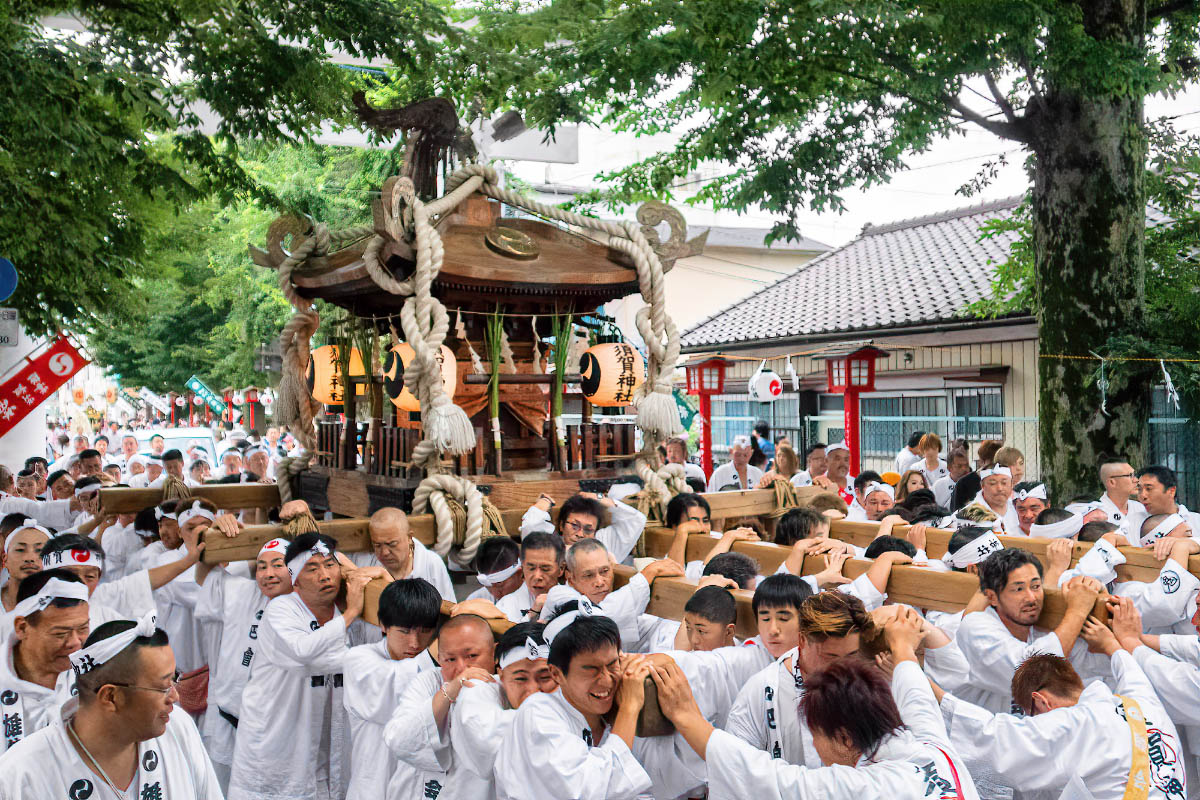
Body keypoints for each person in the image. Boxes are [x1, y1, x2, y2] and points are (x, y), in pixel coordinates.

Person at [651, 617, 978, 800]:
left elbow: (773, 779)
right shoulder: (933, 749)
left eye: (815, 733)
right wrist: (903, 646)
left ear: (845, 739)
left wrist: (686, 716)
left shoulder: (868, 788)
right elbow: (917, 696)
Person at [0, 614, 223, 800]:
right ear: (111, 697)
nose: (175, 696)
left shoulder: (178, 728)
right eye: (163, 687)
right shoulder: (22, 775)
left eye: (175, 679)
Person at [940, 640, 1185, 800]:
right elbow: (1130, 670)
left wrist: (924, 686)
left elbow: (995, 739)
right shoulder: (1141, 704)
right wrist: (1110, 643)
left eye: (1033, 718)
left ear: (1041, 702)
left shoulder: (1079, 724)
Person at [227, 532, 372, 800]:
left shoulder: (343, 611)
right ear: (295, 579)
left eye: (329, 566)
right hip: (276, 739)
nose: (325, 576)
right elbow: (304, 652)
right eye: (312, 568)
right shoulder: (281, 610)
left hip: (323, 739)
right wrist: (351, 614)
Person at [493, 609, 654, 799]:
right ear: (556, 674)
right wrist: (629, 708)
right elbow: (589, 789)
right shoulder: (538, 712)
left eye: (612, 665)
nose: (606, 680)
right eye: (591, 670)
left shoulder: (609, 712)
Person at [725, 590, 873, 768]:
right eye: (830, 657)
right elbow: (736, 767)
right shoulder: (761, 692)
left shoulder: (870, 685)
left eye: (851, 656)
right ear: (802, 640)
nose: (843, 669)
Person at [193, 536, 294, 791]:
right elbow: (204, 575)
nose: (268, 574)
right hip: (228, 721)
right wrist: (221, 532)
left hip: (274, 733)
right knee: (218, 790)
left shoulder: (308, 607)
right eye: (262, 566)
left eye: (278, 565)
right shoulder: (242, 591)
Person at [954, 548, 1109, 713]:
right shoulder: (975, 626)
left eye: (1035, 586)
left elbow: (1099, 664)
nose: (1031, 598)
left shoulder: (1041, 629)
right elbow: (1030, 674)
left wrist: (1097, 595)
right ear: (992, 597)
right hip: (981, 727)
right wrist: (1077, 611)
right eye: (1018, 589)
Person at [382, 613, 498, 798]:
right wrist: (450, 692)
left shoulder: (504, 689)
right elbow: (399, 739)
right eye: (450, 659)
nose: (462, 668)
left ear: (494, 654)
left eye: (472, 656)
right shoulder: (429, 681)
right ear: (439, 658)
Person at [344, 579, 441, 800]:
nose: (415, 643)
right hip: (372, 789)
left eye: (425, 631)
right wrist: (449, 639)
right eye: (404, 632)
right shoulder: (358, 660)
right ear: (383, 625)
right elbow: (401, 684)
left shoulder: (441, 663)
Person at [451, 622, 559, 797]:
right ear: (501, 675)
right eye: (521, 679)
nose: (533, 690)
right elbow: (485, 740)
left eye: (545, 677)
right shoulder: (478, 691)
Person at [0, 570, 90, 753]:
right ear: (22, 628)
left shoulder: (99, 672)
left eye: (83, 629)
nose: (75, 642)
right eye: (60, 634)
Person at [539, 538, 684, 651]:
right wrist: (647, 576)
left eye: (604, 571)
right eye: (588, 575)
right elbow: (597, 619)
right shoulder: (558, 595)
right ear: (571, 579)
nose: (599, 582)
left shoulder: (620, 605)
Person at [349, 507, 454, 603]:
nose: (384, 552)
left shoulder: (431, 563)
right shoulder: (362, 560)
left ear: (409, 538)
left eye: (392, 544)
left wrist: (385, 576)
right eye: (377, 545)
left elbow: (449, 609)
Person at [520, 491, 647, 565]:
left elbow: (637, 520)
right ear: (561, 525)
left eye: (588, 529)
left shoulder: (604, 543)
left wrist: (597, 498)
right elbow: (530, 525)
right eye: (574, 526)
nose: (580, 534)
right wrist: (545, 501)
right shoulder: (550, 546)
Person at [496, 532, 565, 623]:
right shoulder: (506, 605)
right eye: (531, 568)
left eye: (545, 569)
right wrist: (532, 615)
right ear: (522, 567)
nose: (537, 576)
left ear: (561, 569)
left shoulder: (572, 601)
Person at [1137, 466, 1200, 537]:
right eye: (1139, 489)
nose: (1143, 495)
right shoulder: (1134, 522)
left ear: (1171, 491)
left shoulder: (1196, 521)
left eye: (1149, 489)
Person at [466, 535, 524, 602]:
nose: (495, 595)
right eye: (488, 587)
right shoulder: (476, 600)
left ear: (519, 573)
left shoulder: (532, 599)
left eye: (500, 586)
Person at [679, 585, 739, 651]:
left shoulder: (743, 655)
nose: (693, 640)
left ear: (729, 632)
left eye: (701, 631)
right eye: (688, 628)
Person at [950, 439, 1004, 512]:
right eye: (992, 464)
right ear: (982, 461)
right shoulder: (964, 484)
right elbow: (955, 513)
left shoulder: (1005, 483)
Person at [1097, 460, 1147, 536]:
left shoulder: (1141, 508)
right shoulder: (1096, 513)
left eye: (1135, 475)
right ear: (1112, 482)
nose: (1136, 480)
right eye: (1130, 476)